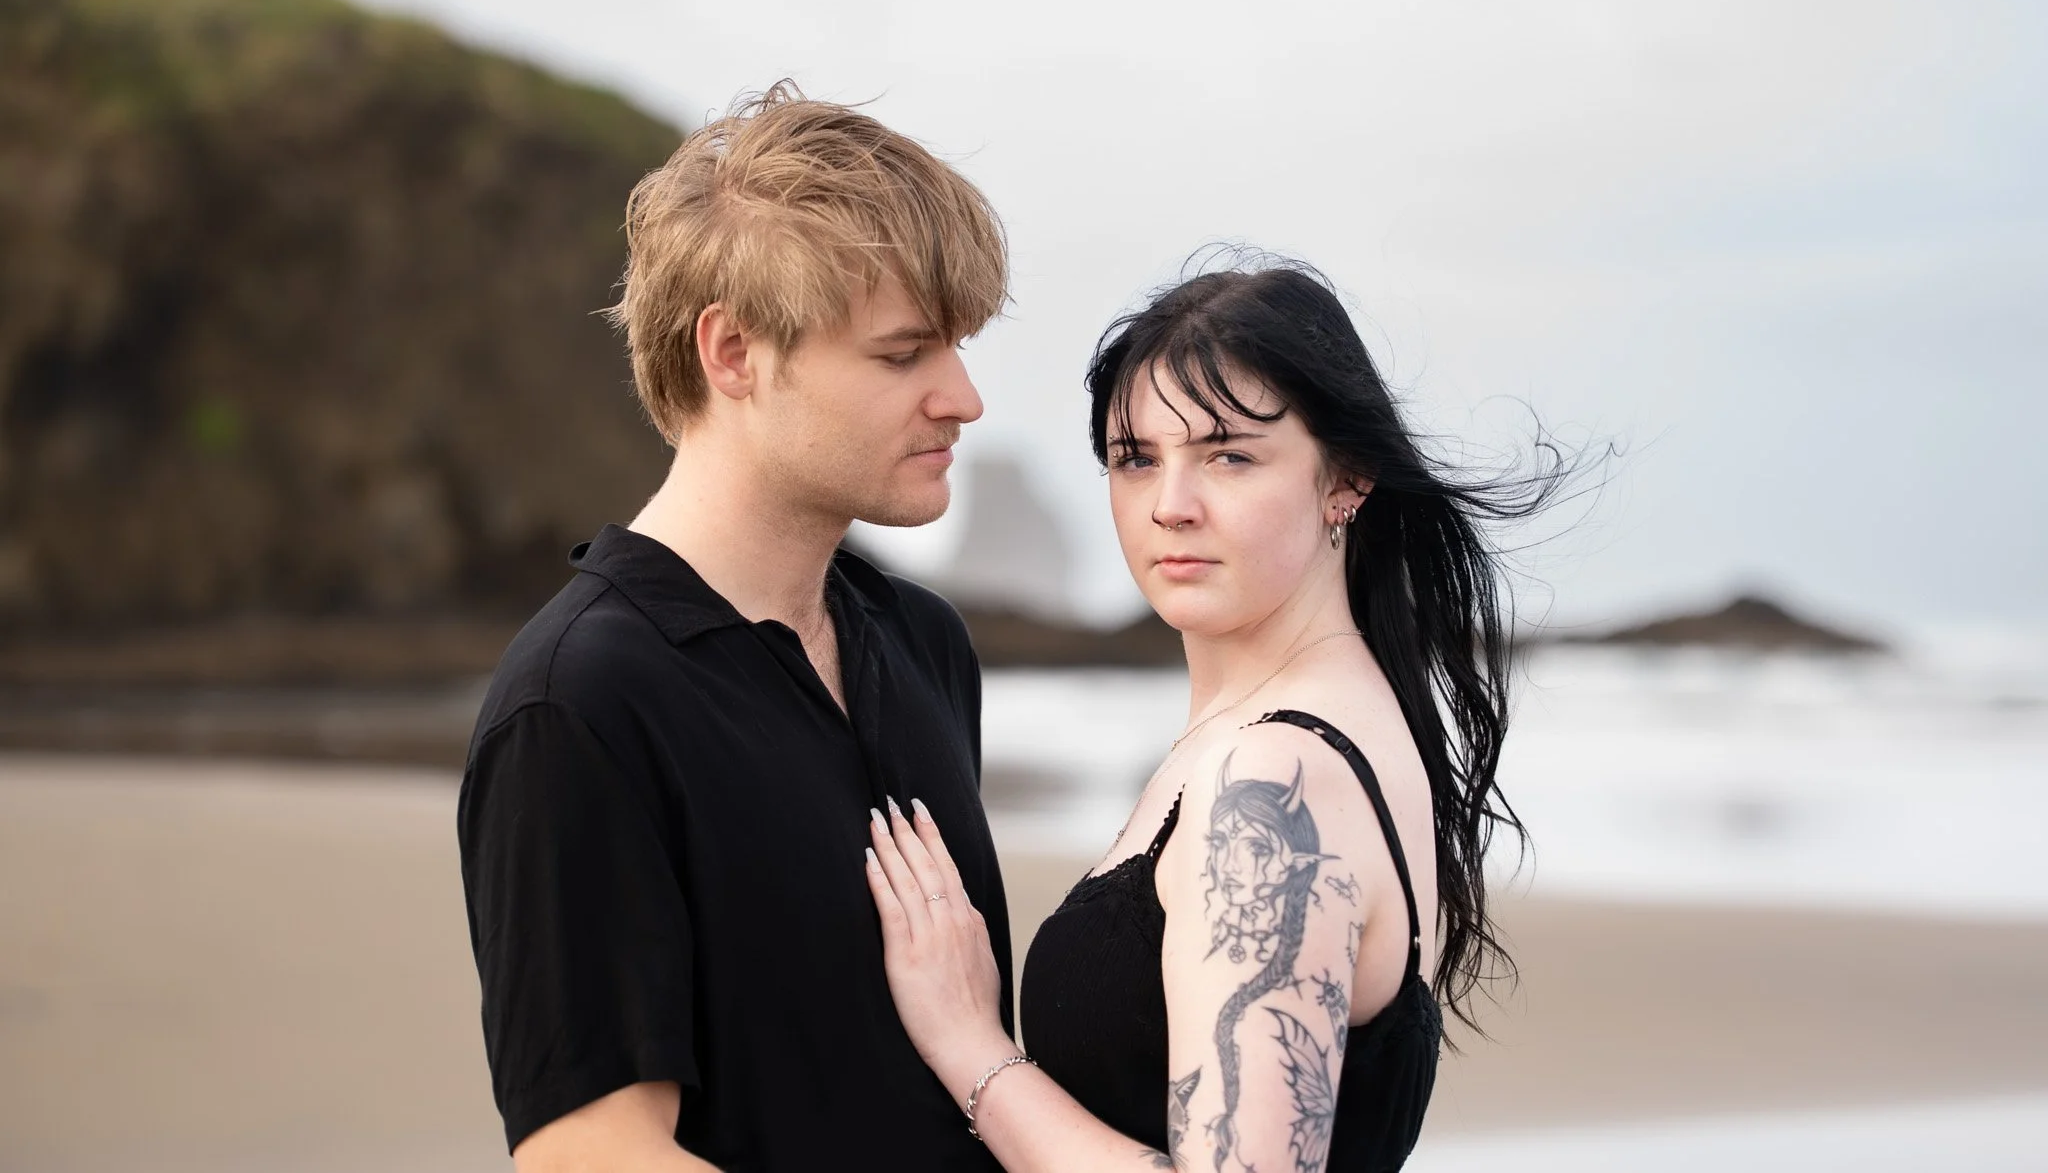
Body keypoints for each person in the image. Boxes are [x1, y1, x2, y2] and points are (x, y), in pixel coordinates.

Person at [862, 265, 1561, 1171]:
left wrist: (971, 1047)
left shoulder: (1276, 775)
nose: (1170, 505)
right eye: (1136, 458)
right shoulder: (1312, 729)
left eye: (1228, 454)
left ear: (1345, 475)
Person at [456, 83, 1013, 1172]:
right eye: (903, 355)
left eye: (954, 346)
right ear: (732, 354)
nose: (961, 397)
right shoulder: (578, 703)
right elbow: (590, 1152)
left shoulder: (922, 642)